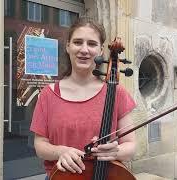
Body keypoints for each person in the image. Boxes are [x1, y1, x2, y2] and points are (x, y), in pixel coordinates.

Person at [30, 17, 136, 179]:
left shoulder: (117, 93)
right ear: (68, 46)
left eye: (92, 44)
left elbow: (130, 145)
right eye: (78, 42)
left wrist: (115, 151)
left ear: (101, 50)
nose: (84, 50)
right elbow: (40, 146)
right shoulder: (48, 94)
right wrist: (61, 151)